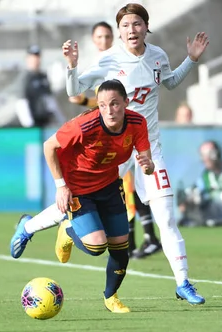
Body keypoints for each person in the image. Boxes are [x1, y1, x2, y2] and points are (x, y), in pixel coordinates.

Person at [11, 3, 208, 305]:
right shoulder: (109, 59)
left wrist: (191, 60)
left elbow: (169, 82)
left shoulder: (158, 56)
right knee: (76, 202)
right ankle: (29, 227)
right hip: (111, 150)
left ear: (146, 27)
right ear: (119, 31)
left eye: (137, 24)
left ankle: (183, 283)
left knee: (166, 218)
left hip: (147, 148)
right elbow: (74, 91)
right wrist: (72, 66)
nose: (132, 30)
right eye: (126, 25)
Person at [43, 79, 154, 313]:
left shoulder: (137, 122)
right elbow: (48, 146)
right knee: (96, 247)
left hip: (110, 185)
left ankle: (111, 297)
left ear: (126, 102)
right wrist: (61, 186)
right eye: (103, 105)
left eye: (114, 104)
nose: (109, 110)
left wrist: (148, 166)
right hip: (79, 188)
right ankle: (68, 230)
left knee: (120, 249)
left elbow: (148, 164)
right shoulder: (84, 125)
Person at [67, 20, 162, 259]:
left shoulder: (121, 60)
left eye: (107, 37)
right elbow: (79, 97)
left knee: (129, 187)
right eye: (99, 38)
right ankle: (130, 238)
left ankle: (140, 238)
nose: (104, 41)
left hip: (128, 134)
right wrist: (90, 104)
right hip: (107, 136)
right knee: (116, 187)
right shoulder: (103, 64)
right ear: (93, 40)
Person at [15, 45, 65, 127]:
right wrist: (30, 126)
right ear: (27, 58)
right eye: (33, 57)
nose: (36, 60)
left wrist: (61, 120)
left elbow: (50, 100)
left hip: (45, 122)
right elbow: (21, 103)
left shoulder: (43, 77)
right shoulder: (25, 78)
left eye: (38, 57)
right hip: (33, 123)